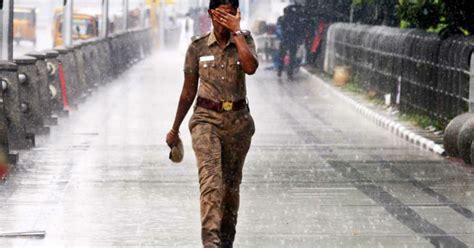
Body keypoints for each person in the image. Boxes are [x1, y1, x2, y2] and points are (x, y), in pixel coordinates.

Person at [166, 0, 259, 247]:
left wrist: (237, 32)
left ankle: (226, 241)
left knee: (231, 188)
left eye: (230, 14)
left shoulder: (244, 41)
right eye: (220, 14)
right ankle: (211, 243)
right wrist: (174, 129)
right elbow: (188, 92)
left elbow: (250, 68)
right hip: (206, 120)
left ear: (237, 15)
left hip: (238, 123)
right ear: (210, 14)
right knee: (211, 184)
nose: (224, 20)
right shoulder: (197, 47)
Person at [277, 4, 305, 79]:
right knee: (292, 57)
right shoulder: (296, 19)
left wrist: (281, 37)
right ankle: (290, 72)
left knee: (282, 56)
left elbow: (279, 29)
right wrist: (299, 40)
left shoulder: (282, 19)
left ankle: (280, 70)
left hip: (285, 40)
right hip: (292, 40)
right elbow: (300, 30)